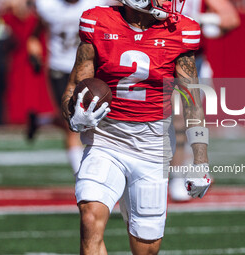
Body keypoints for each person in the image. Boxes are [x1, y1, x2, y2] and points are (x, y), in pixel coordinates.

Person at [61, 0, 211, 253]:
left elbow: (192, 101)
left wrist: (200, 159)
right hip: (105, 140)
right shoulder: (98, 23)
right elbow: (75, 85)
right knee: (90, 218)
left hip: (152, 147)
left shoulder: (180, 31)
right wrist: (73, 117)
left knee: (146, 249)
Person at [26, 0, 114, 174]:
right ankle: (82, 174)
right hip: (60, 69)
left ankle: (40, 121)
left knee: (96, 117)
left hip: (87, 67)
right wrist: (34, 54)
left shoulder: (95, 4)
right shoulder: (48, 7)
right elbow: (34, 36)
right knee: (71, 122)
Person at [169, 0, 240, 202]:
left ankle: (179, 176)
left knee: (182, 120)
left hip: (191, 60)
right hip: (159, 56)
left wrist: (203, 20)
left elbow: (231, 18)